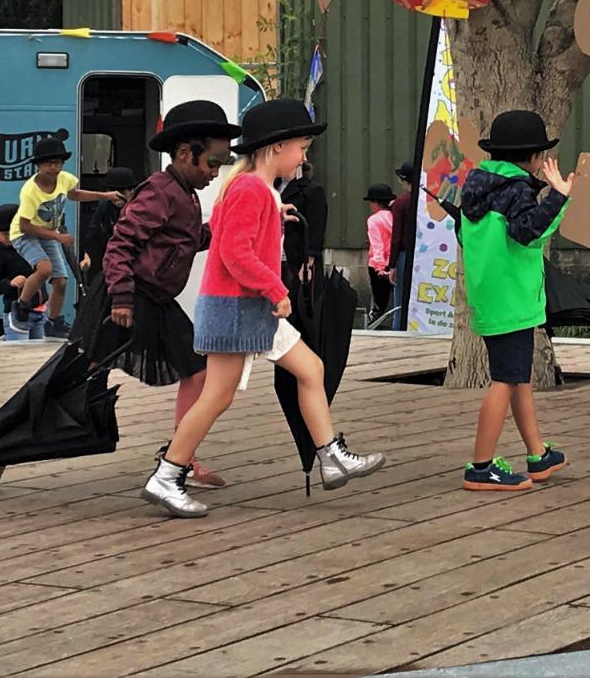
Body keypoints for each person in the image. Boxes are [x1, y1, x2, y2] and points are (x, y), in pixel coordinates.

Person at [142, 99, 385, 518]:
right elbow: (236, 253)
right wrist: (277, 290)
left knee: (310, 370)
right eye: (301, 148)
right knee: (218, 396)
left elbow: (226, 233)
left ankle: (330, 455)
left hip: (243, 307)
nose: (304, 158)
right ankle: (167, 474)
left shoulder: (253, 189)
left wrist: (274, 213)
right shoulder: (252, 189)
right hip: (240, 307)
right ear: (277, 148)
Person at [98, 101, 240, 489]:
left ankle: (180, 457)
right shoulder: (160, 191)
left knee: (197, 370)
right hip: (125, 298)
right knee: (76, 380)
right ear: (182, 153)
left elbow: (190, 240)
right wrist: (122, 298)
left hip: (155, 300)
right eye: (212, 162)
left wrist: (245, 222)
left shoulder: (184, 192)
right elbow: (119, 245)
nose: (215, 172)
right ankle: (2, 447)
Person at [456, 110, 572, 492]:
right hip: (512, 300)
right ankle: (481, 465)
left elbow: (466, 235)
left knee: (518, 377)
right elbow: (528, 231)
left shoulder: (476, 187)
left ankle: (538, 454)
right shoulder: (518, 190)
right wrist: (559, 196)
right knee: (505, 380)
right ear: (536, 158)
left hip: (491, 297)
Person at [10, 136, 103, 338]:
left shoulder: (65, 179)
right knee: (44, 269)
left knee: (61, 281)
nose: (54, 168)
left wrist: (106, 195)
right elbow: (25, 226)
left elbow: (75, 195)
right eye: (48, 164)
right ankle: (22, 305)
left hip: (48, 233)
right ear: (39, 166)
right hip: (24, 234)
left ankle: (52, 322)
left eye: (58, 163)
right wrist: (57, 236)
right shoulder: (30, 191)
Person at [0, 203, 45, 340]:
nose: (10, 237)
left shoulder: (31, 244)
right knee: (20, 353)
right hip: (16, 311)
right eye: (5, 234)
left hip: (39, 309)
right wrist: (10, 283)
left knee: (41, 355)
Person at [79, 167, 137, 288]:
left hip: (134, 261)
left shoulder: (139, 208)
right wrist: (87, 255)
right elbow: (92, 233)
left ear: (132, 191)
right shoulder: (104, 207)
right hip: (109, 260)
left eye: (122, 193)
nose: (117, 198)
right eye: (114, 193)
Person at [280, 161, 328, 294]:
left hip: (298, 257)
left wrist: (308, 262)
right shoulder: (272, 186)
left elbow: (317, 227)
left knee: (297, 301)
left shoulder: (311, 190)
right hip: (274, 255)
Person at [387, 162, 415, 325]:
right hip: (422, 254)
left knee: (400, 301)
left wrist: (392, 265)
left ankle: (399, 331)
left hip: (404, 255)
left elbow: (396, 236)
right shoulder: (424, 201)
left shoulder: (400, 203)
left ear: (404, 180)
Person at [363, 183, 395, 319]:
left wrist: (379, 267)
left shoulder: (374, 220)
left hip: (378, 265)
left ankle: (374, 320)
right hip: (394, 261)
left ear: (375, 202)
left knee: (379, 303)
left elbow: (377, 245)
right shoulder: (395, 216)